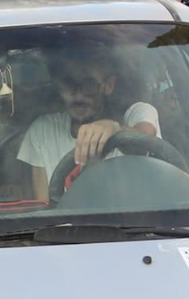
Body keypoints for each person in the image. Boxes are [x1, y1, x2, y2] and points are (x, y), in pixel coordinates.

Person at [16, 56, 163, 201]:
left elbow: (144, 144)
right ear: (58, 86)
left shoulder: (138, 114)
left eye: (89, 85)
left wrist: (116, 130)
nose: (79, 95)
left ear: (109, 85)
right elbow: (45, 207)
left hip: (135, 224)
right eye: (69, 84)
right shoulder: (43, 131)